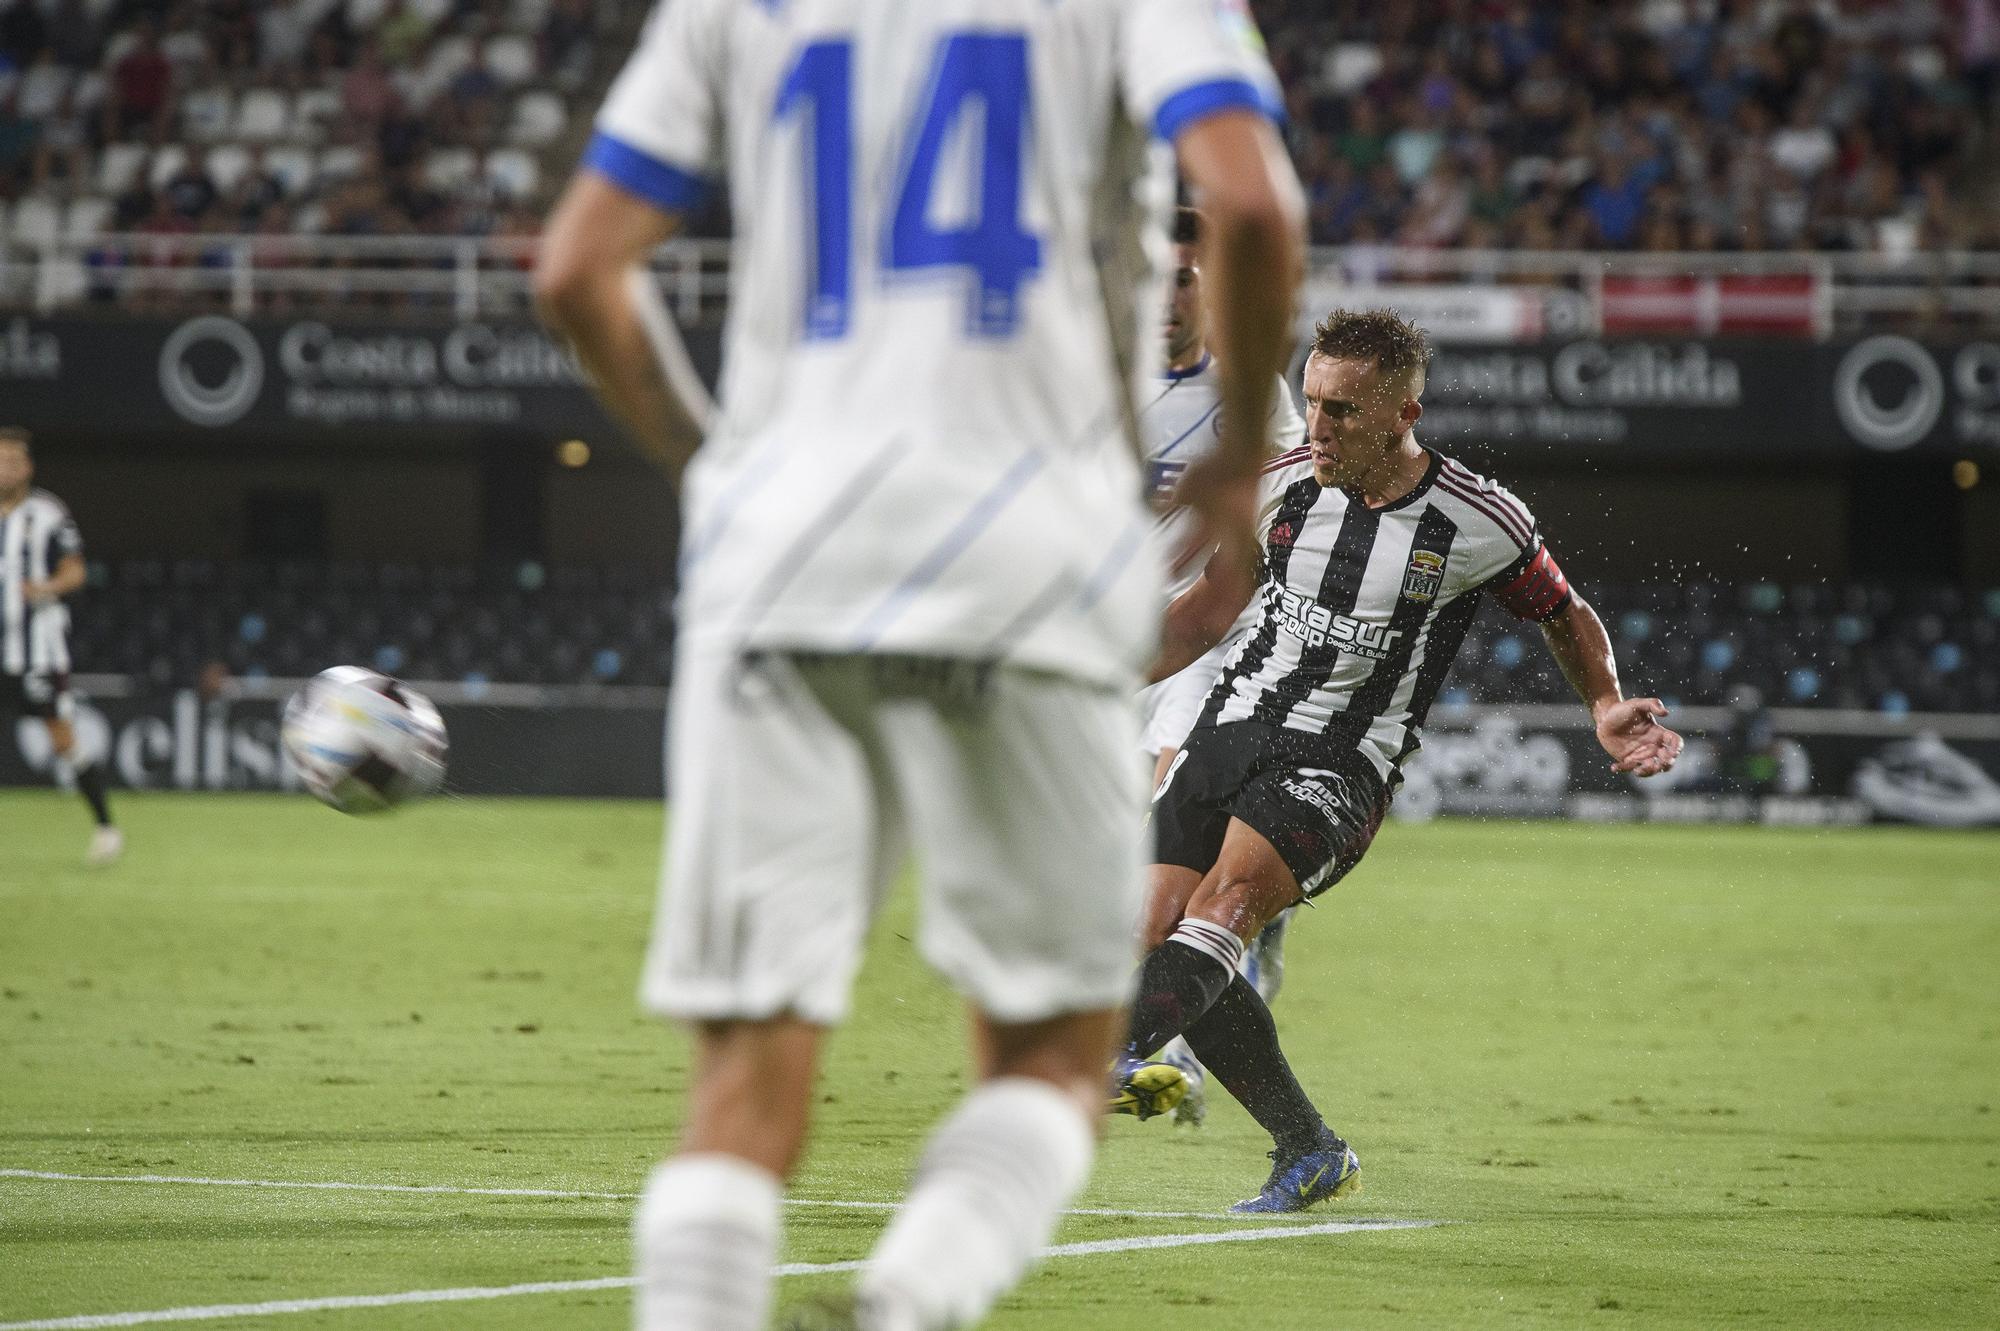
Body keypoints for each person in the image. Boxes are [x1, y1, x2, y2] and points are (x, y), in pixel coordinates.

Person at [531, 3, 1303, 1329]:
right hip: (1032, 555)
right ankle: (909, 1302)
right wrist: (1236, 460)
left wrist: (712, 462)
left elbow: (576, 272)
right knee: (1057, 1057)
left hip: (778, 559)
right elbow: (1252, 205)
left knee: (741, 1084)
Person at [1111, 309, 1683, 1213]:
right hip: (1232, 730)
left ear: (1402, 412)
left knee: (1221, 912)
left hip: (1340, 764)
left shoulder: (1477, 519)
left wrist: (1606, 702)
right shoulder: (1281, 485)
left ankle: (1103, 1052)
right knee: (1152, 933)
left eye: (1341, 409)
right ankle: (1310, 1148)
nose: (1317, 426)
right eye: (1310, 402)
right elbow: (1205, 610)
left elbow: (1562, 612)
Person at [1136, 204, 1305, 1129]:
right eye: (1152, 276)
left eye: (1185, 279)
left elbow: (1266, 538)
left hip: (1209, 642)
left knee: (1168, 844)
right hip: (1109, 647)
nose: (1165, 298)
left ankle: (1163, 1057)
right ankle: (1249, 935)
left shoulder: (1252, 395)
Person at [0, 427, 121, 866]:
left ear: (28, 468)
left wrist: (46, 587)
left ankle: (106, 827)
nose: (5, 468)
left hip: (37, 651)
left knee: (61, 738)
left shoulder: (48, 513)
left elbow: (76, 571)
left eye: (13, 461)